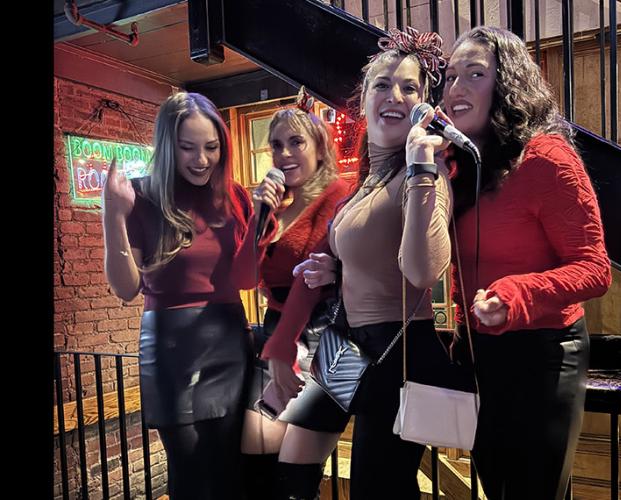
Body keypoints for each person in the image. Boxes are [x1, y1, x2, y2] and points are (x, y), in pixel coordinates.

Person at [261, 26, 456, 500]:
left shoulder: (423, 174)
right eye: (383, 85)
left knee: (377, 486)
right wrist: (335, 270)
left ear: (423, 106)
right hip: (348, 338)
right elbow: (370, 251)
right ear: (364, 99)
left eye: (410, 87)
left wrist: (421, 167)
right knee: (294, 458)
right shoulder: (368, 179)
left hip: (399, 345)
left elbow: (423, 272)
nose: (395, 95)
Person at [442, 26, 613, 500]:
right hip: (481, 353)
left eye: (474, 74)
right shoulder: (458, 165)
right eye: (450, 76)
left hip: (545, 354)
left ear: (507, 84)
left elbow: (594, 267)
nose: (456, 88)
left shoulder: (546, 158)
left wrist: (515, 294)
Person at [102, 91, 274, 499]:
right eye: (187, 148)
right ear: (167, 146)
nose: (201, 159)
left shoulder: (235, 197)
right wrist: (113, 213)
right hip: (170, 346)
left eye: (211, 147)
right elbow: (126, 289)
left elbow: (248, 281)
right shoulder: (141, 196)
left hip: (228, 340)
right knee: (190, 470)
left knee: (231, 467)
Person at [239, 88, 350, 499]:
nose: (284, 153)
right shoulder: (274, 205)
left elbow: (323, 270)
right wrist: (257, 216)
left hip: (335, 338)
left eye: (296, 142)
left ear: (320, 147)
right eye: (277, 145)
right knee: (254, 463)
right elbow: (246, 277)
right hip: (275, 332)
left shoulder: (342, 195)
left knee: (295, 477)